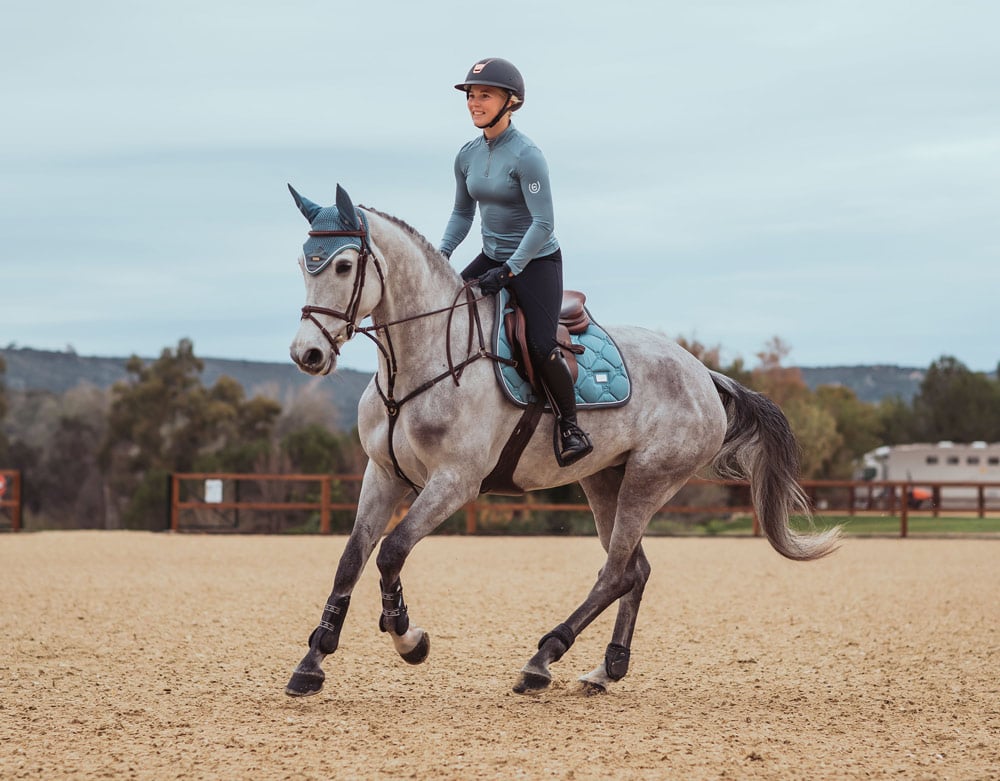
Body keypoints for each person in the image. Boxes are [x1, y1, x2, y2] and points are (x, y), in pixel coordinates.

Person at [439, 57, 593, 467]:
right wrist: (441, 255)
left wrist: (509, 271)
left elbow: (544, 223)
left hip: (536, 261)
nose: (474, 103)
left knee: (541, 346)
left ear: (512, 101)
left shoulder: (528, 156)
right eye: (471, 96)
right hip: (491, 255)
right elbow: (462, 214)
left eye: (484, 95)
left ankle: (570, 426)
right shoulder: (467, 155)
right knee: (444, 311)